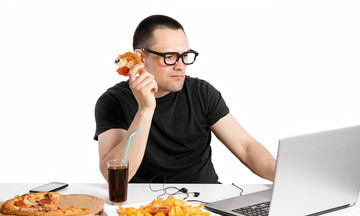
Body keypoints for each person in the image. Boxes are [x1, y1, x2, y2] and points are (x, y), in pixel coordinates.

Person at [94, 15, 275, 183]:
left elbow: (246, 148)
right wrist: (145, 110)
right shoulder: (112, 101)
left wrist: (287, 177)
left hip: (206, 203)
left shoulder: (202, 92)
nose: (181, 66)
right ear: (140, 57)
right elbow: (115, 176)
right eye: (170, 57)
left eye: (185, 56)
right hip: (146, 208)